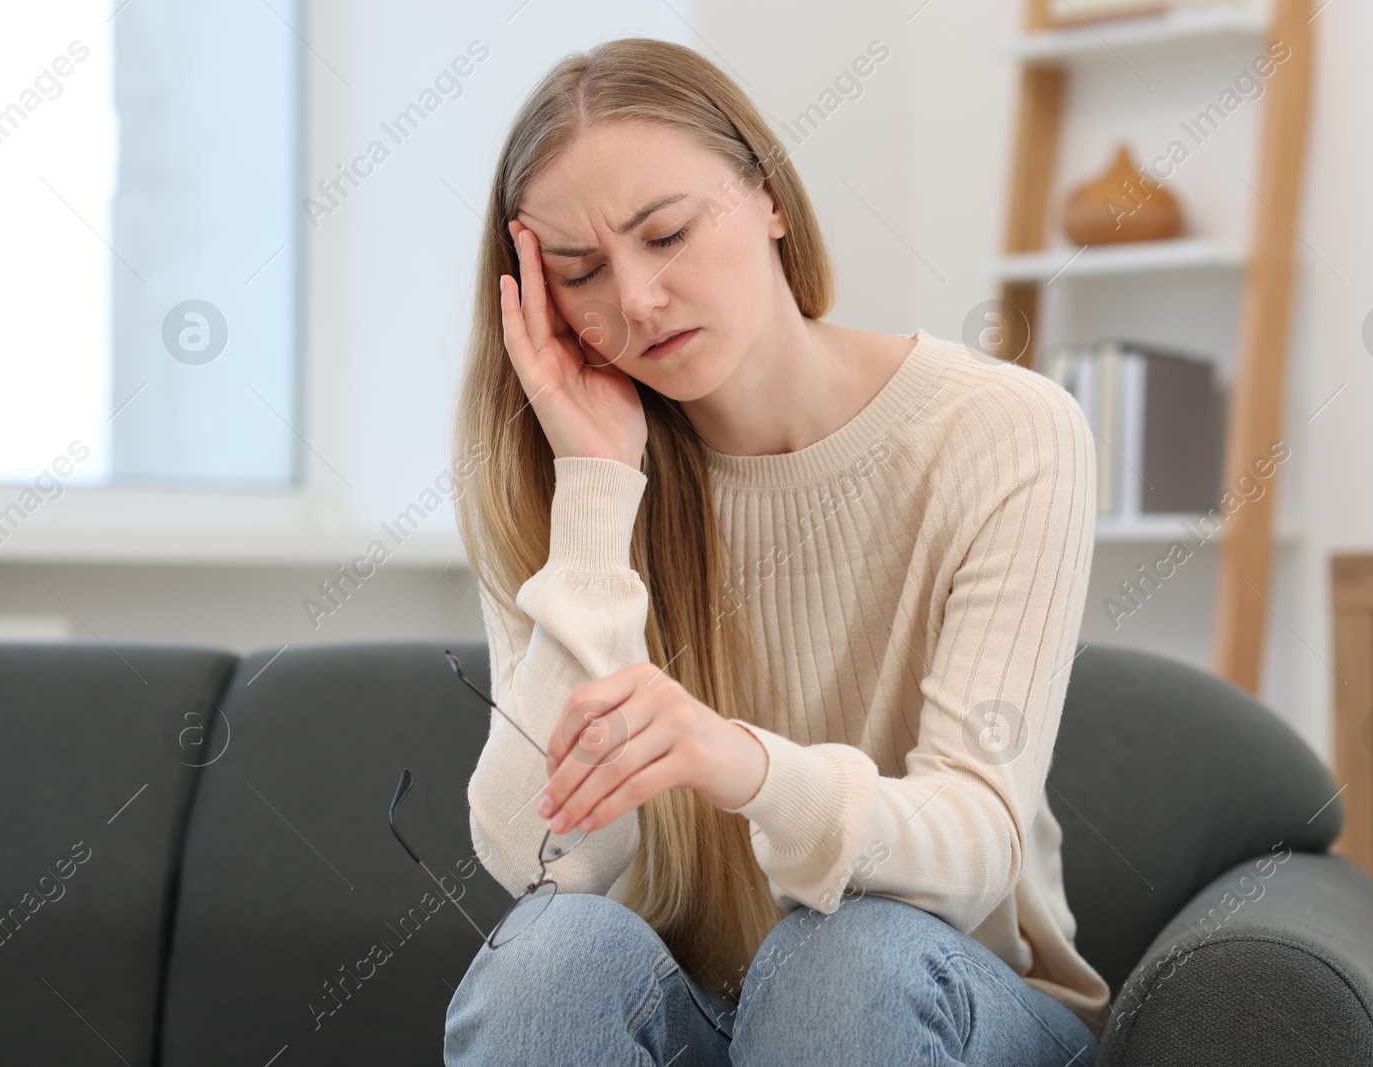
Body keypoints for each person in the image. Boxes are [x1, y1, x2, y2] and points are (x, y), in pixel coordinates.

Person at [445, 35, 1108, 1066]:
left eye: (665, 234)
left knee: (840, 959)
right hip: (701, 1016)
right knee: (548, 954)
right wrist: (591, 498)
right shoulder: (556, 473)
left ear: (769, 197)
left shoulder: (1004, 430)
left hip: (944, 1005)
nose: (636, 302)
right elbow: (544, 862)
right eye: (580, 274)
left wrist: (746, 767)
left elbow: (976, 844)